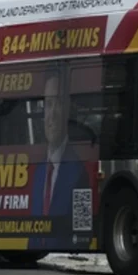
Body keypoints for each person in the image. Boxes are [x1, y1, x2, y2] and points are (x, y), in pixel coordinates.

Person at [30, 70, 91, 246]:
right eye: (48, 104)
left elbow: (82, 234)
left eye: (58, 104)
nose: (52, 114)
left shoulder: (80, 172)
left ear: (68, 109)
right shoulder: (38, 172)